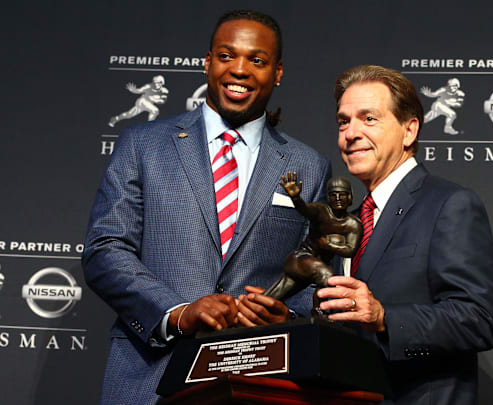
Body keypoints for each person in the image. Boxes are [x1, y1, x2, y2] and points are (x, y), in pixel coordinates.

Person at [82, 10, 330, 404]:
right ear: (207, 62)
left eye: (257, 60)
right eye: (227, 55)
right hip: (150, 376)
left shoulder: (308, 165)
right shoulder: (144, 145)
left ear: (278, 72)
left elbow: (311, 267)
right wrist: (178, 312)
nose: (240, 70)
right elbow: (105, 250)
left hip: (256, 381)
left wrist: (290, 319)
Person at [317, 65, 493, 405]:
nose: (351, 133)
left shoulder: (450, 205)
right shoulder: (351, 223)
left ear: (409, 130)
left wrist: (384, 317)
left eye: (368, 119)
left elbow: (479, 320)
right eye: (344, 121)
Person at [264, 173, 361, 315]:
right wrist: (296, 198)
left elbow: (350, 250)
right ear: (328, 198)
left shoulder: (353, 224)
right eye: (334, 195)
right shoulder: (321, 211)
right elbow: (305, 209)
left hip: (314, 268)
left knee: (273, 296)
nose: (338, 199)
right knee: (327, 276)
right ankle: (318, 311)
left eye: (342, 195)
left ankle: (247, 313)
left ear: (350, 197)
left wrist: (329, 245)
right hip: (301, 259)